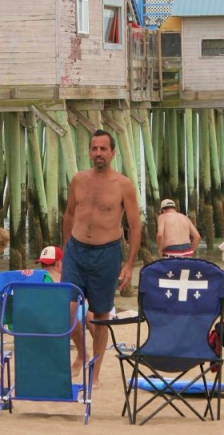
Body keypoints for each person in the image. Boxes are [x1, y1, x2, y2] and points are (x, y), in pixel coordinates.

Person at [62, 129, 140, 388]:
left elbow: (135, 225)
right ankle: (82, 354)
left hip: (106, 253)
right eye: (94, 148)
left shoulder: (123, 185)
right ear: (89, 152)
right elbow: (70, 215)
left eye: (103, 149)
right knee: (67, 311)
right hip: (76, 250)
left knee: (100, 315)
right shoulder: (78, 180)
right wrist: (64, 252)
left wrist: (129, 264)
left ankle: (94, 372)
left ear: (113, 153)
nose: (98, 153)